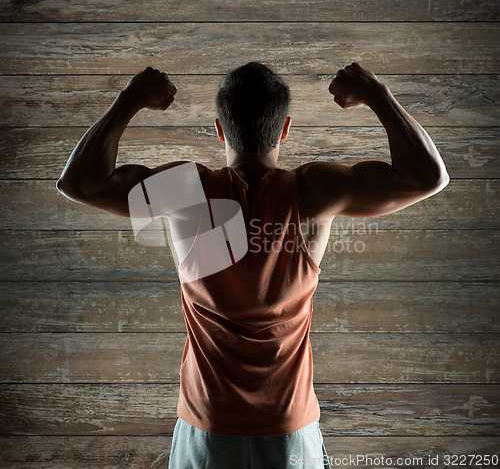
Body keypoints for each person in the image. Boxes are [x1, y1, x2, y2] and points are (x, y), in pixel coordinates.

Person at [57, 62, 449, 468]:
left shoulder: (186, 190)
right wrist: (377, 94)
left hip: (208, 425)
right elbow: (427, 177)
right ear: (285, 128)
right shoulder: (314, 191)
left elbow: (79, 183)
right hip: (288, 429)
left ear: (220, 128)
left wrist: (130, 100)